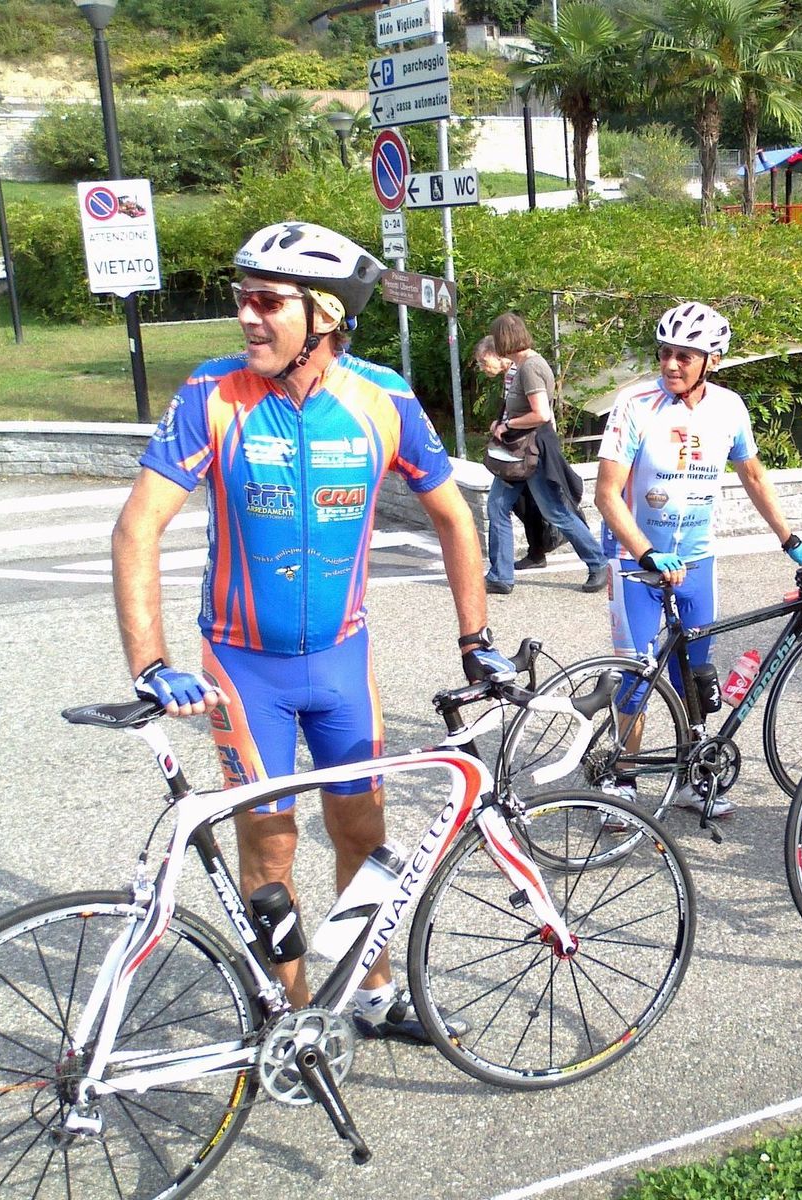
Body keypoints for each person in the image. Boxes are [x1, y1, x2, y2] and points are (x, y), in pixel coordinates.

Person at [112, 221, 509, 1042]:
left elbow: (454, 517)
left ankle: (373, 994)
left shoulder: (383, 399)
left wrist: (475, 640)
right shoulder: (211, 394)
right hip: (242, 668)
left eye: (267, 302)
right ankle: (293, 1026)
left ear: (324, 315)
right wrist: (150, 663)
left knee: (364, 834)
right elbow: (137, 527)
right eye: (243, 298)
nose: (247, 316)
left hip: (340, 663)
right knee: (270, 851)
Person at [593, 301, 802, 818]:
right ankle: (624, 779)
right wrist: (647, 553)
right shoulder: (635, 405)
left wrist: (790, 540)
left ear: (712, 361)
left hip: (697, 562)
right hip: (636, 564)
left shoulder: (729, 409)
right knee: (637, 678)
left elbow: (753, 476)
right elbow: (605, 494)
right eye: (665, 353)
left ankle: (693, 777)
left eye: (684, 356)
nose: (671, 364)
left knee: (693, 676)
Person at [482, 313, 608, 595]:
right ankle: (500, 576)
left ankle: (598, 562)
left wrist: (507, 425)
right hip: (519, 452)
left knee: (555, 511)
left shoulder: (530, 368)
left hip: (532, 451)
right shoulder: (524, 365)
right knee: (498, 507)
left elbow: (541, 414)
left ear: (504, 339)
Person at [474, 335, 565, 571]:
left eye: (484, 361)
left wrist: (506, 426)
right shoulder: (512, 372)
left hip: (527, 447)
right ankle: (537, 551)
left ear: (497, 354)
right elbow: (512, 408)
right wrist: (500, 423)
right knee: (526, 502)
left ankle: (588, 555)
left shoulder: (521, 370)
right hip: (521, 445)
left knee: (539, 505)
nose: (483, 367)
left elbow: (537, 412)